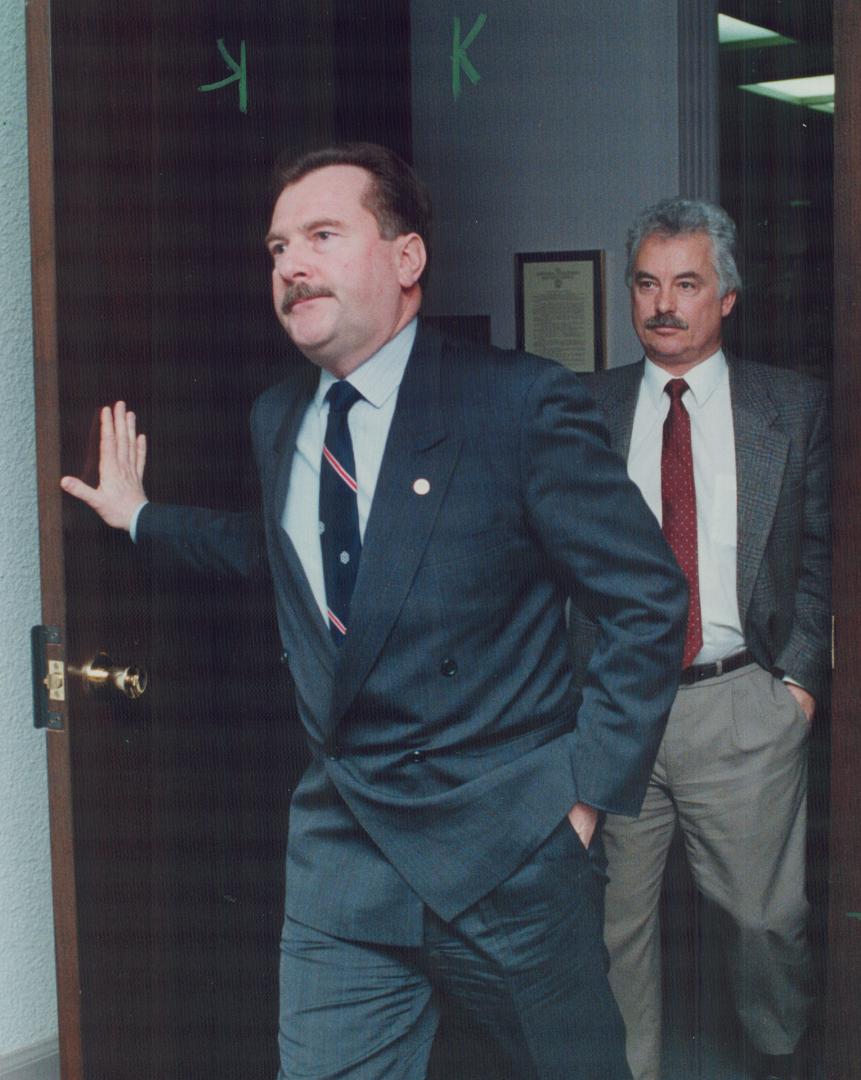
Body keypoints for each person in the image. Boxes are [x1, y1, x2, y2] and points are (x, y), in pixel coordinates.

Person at [61, 143, 687, 1080]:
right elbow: (276, 554)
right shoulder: (279, 418)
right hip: (341, 848)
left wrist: (584, 796)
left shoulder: (517, 405)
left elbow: (646, 598)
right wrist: (141, 518)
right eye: (277, 248)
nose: (290, 266)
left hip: (506, 845)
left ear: (406, 260)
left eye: (321, 235)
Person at [571, 198, 831, 1080]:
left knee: (765, 924)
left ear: (727, 297)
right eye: (646, 284)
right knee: (613, 934)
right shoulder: (584, 408)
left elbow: (824, 550)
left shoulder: (790, 408)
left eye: (686, 284)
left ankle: (780, 1058)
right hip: (616, 707)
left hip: (739, 704)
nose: (661, 305)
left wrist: (793, 684)